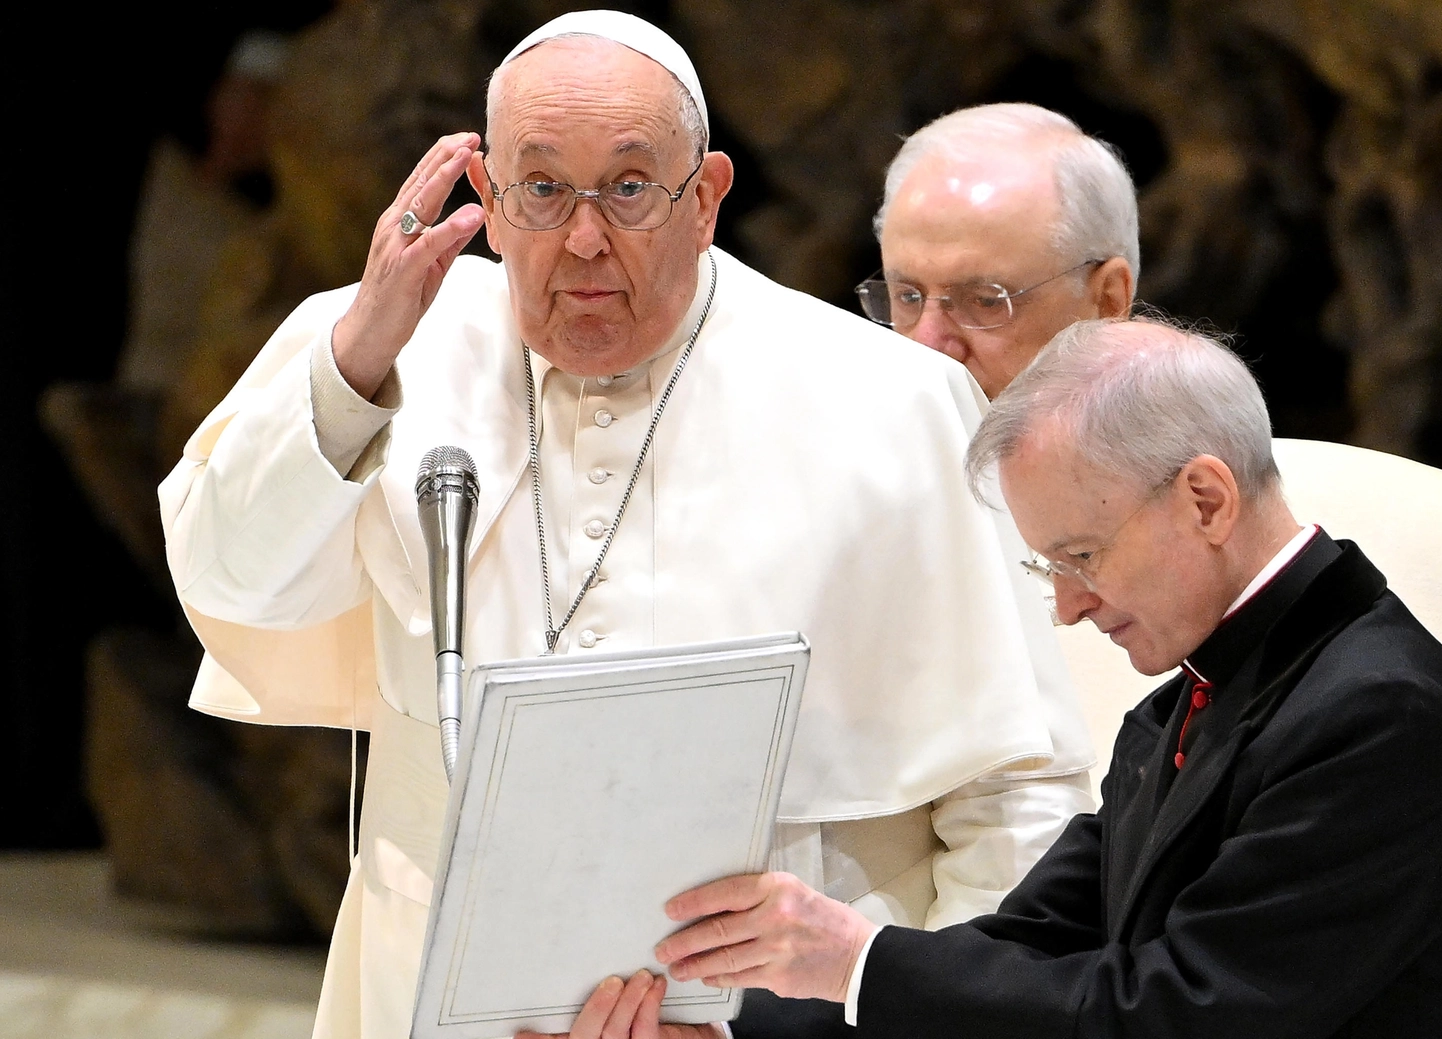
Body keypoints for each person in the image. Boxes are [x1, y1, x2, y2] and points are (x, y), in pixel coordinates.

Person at [159, 11, 1098, 1038]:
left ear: (707, 199)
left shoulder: (891, 401)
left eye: (631, 187)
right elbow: (227, 579)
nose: (585, 237)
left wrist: (922, 1017)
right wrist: (351, 371)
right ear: (488, 199)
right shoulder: (384, 347)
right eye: (544, 187)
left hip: (766, 1019)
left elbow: (1017, 790)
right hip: (431, 999)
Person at [593, 317, 1442, 1038]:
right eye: (1051, 566)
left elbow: (1182, 1018)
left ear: (1205, 498)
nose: (1069, 606)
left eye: (1080, 554)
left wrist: (853, 959)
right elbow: (1020, 953)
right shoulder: (1182, 703)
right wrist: (722, 1022)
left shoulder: (1382, 716)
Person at [857, 103, 1138, 400]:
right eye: (908, 297)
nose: (927, 345)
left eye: (985, 301)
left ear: (1108, 302)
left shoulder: (1183, 444)